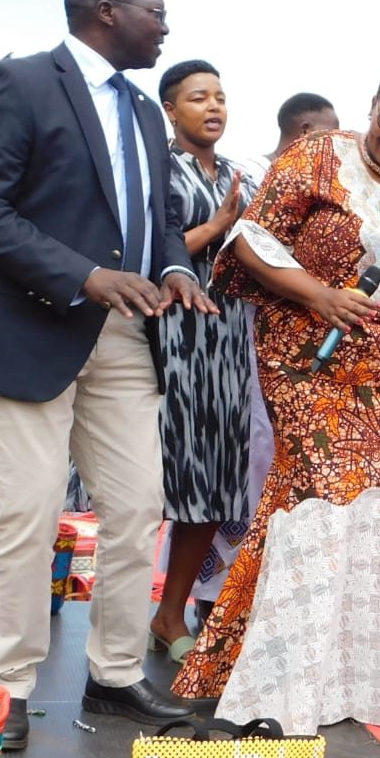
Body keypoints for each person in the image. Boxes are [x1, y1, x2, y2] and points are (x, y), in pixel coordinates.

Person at [0, 0, 213, 752]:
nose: (166, 27)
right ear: (105, 11)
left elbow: (158, 213)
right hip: (30, 330)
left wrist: (171, 267)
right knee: (28, 515)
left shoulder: (140, 108)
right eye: (156, 12)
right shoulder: (19, 83)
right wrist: (83, 275)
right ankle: (7, 687)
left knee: (136, 508)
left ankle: (117, 672)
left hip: (126, 335)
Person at [173, 61, 380, 733]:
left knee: (377, 515)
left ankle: (360, 681)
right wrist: (319, 295)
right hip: (309, 356)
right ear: (371, 106)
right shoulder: (316, 156)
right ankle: (286, 684)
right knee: (317, 497)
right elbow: (249, 240)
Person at [149, 59, 259, 665]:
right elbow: (148, 252)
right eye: (197, 97)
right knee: (162, 482)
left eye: (219, 96)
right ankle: (120, 628)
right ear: (170, 109)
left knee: (213, 485)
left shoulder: (240, 173)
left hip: (230, 339)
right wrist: (218, 226)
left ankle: (171, 613)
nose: (213, 106)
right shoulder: (159, 170)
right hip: (173, 338)